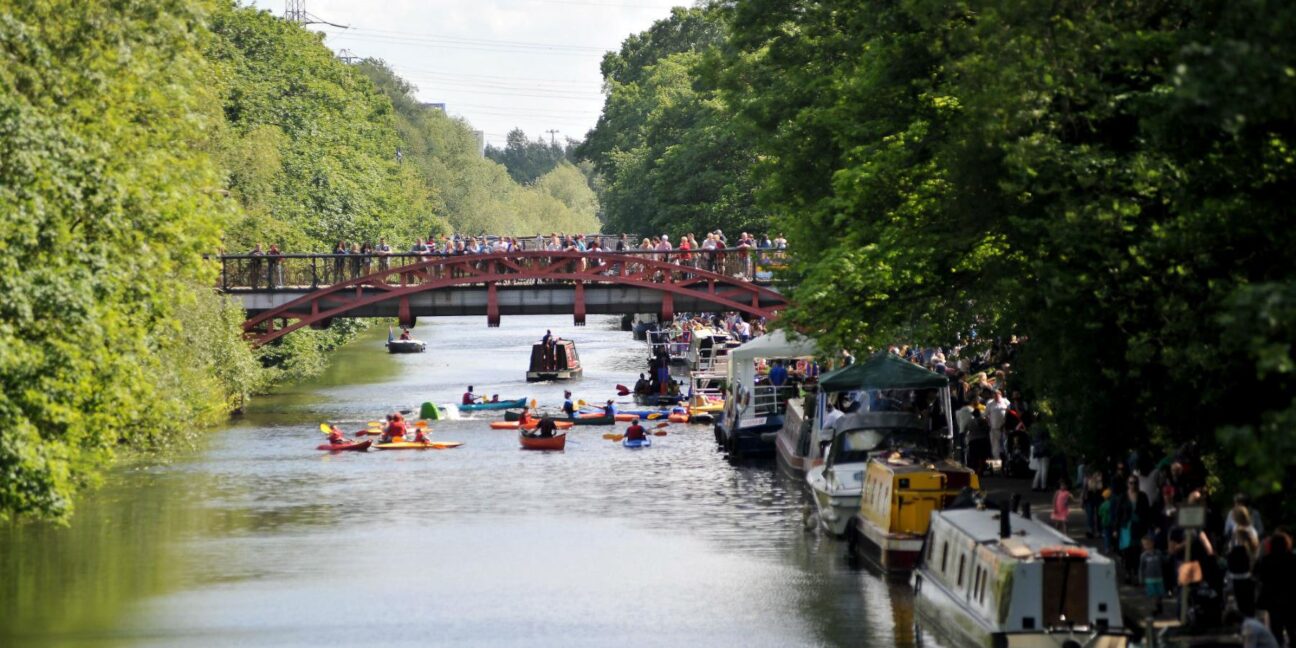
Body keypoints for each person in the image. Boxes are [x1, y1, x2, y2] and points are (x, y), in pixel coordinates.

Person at [1254, 531, 1296, 643]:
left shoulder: (1266, 560)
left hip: (1272, 600)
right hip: (1290, 599)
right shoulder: (1292, 558)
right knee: (1292, 629)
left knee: (1276, 631)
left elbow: (1258, 575)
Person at [1139, 534, 1167, 615]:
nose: (1146, 546)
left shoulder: (1158, 553)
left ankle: (1159, 606)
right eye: (1144, 544)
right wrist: (1141, 578)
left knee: (1159, 594)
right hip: (1149, 579)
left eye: (1148, 544)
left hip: (1159, 578)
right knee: (1152, 594)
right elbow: (1141, 568)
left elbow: (1164, 561)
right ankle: (1154, 608)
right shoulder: (1143, 556)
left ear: (1152, 543)